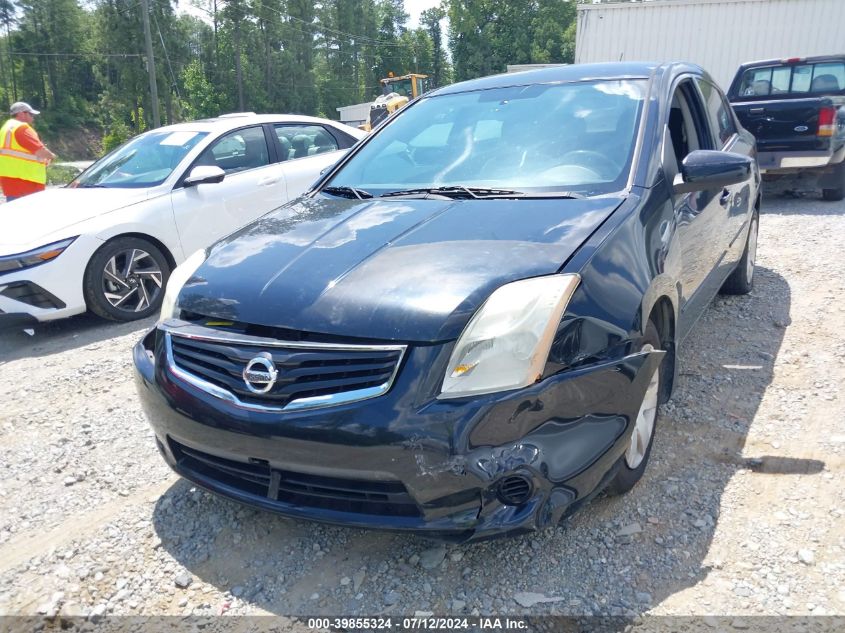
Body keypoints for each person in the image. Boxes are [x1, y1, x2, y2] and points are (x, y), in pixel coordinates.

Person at [0, 101, 56, 202]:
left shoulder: (5, 128)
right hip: (26, 182)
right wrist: (52, 156)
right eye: (31, 114)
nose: (33, 117)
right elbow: (40, 151)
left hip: (10, 181)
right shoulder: (22, 128)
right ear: (21, 114)